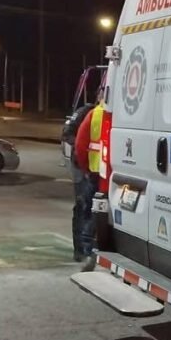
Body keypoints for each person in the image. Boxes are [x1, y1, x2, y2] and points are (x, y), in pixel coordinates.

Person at [73, 93, 104, 272]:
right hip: (112, 174)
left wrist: (85, 169)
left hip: (95, 172)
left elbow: (80, 145)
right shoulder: (117, 115)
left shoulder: (94, 114)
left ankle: (87, 252)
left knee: (90, 212)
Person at [62, 101, 94, 262]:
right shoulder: (85, 112)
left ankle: (90, 246)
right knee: (81, 206)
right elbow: (67, 133)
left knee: (93, 208)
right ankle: (80, 250)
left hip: (95, 168)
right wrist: (82, 144)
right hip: (80, 165)